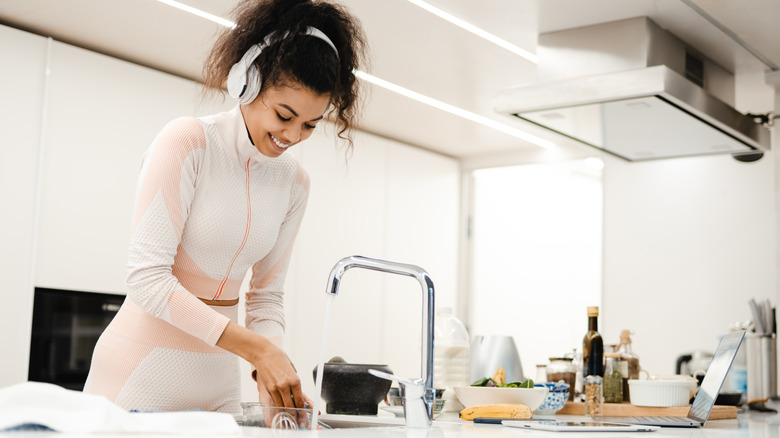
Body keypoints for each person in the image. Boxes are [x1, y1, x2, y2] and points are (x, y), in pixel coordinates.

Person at [83, 0, 367, 414]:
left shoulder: (294, 183)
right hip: (138, 375)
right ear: (246, 82)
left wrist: (270, 377)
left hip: (218, 385)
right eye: (284, 114)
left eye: (309, 124)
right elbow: (148, 279)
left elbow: (266, 298)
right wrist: (258, 352)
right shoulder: (188, 142)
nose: (292, 135)